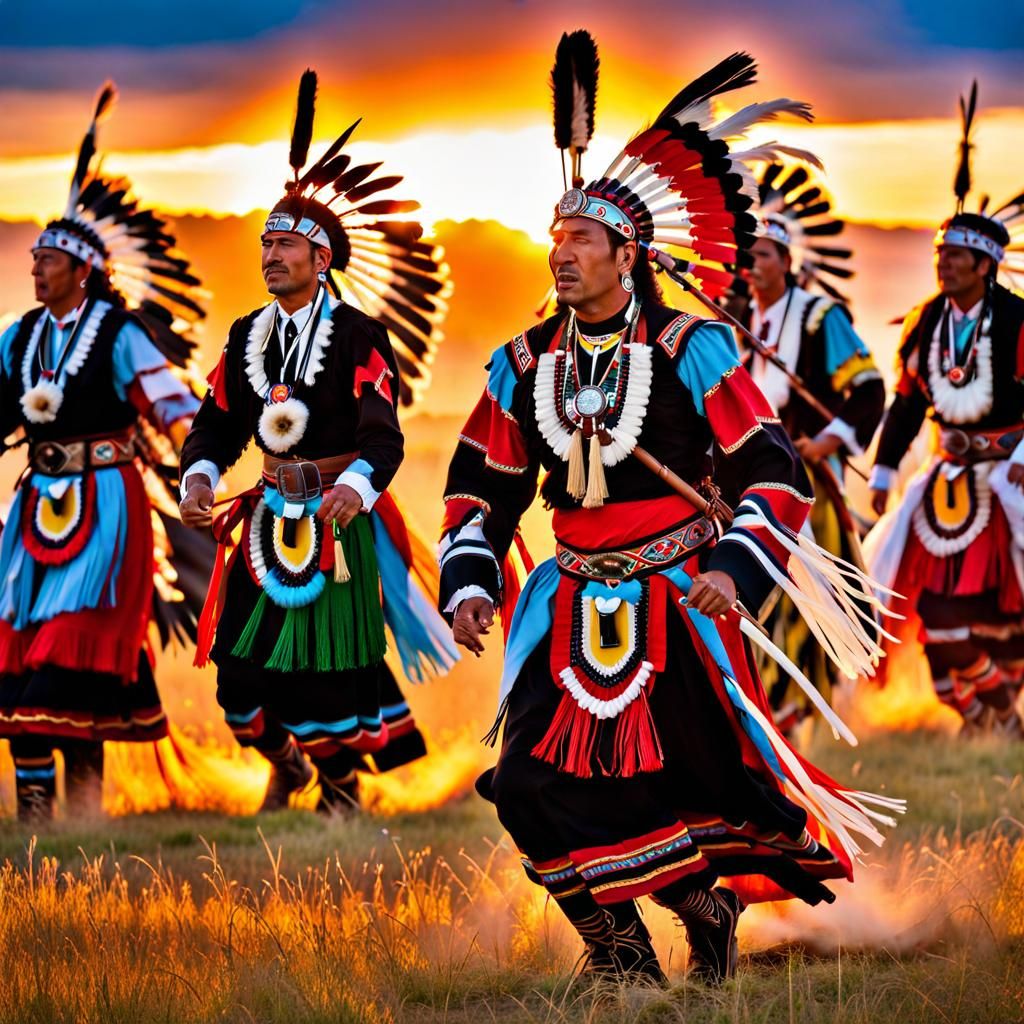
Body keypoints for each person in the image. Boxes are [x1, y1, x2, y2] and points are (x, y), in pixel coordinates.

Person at [440, 52, 897, 986]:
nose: (561, 253)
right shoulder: (523, 365)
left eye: (582, 239)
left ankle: (696, 917)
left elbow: (773, 470)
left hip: (679, 603)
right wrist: (471, 578)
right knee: (523, 784)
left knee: (678, 784)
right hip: (568, 606)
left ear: (627, 256)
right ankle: (625, 952)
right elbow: (481, 487)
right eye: (555, 238)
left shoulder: (692, 348)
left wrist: (733, 566)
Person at [179, 71, 456, 813]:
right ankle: (289, 766)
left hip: (337, 522)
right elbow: (216, 421)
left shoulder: (360, 336)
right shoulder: (246, 335)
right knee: (237, 677)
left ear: (321, 260)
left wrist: (354, 490)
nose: (270, 256)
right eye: (265, 244)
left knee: (327, 671)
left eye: (286, 245)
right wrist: (200, 476)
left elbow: (383, 440)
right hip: (265, 518)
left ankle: (340, 795)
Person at [0, 83, 208, 820]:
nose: (35, 267)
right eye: (33, 256)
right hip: (35, 510)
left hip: (109, 510)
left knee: (70, 652)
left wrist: (200, 467)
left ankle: (75, 818)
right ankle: (48, 824)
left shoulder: (120, 336)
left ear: (82, 270)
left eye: (48, 258)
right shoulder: (18, 337)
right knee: (20, 654)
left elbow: (177, 407)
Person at [865, 83, 1024, 736]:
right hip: (946, 480)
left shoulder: (1016, 321)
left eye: (955, 256)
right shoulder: (925, 322)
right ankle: (994, 712)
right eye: (939, 254)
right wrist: (883, 471)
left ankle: (996, 714)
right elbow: (906, 403)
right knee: (935, 610)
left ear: (985, 265)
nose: (943, 264)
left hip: (1011, 472)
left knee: (1006, 603)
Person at [735, 169, 885, 734]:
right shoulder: (735, 319)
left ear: (788, 262)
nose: (752, 264)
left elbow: (869, 388)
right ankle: (760, 708)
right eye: (747, 255)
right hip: (746, 479)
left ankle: (792, 711)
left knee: (799, 592)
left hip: (805, 481)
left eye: (764, 254)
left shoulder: (821, 318)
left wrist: (826, 439)